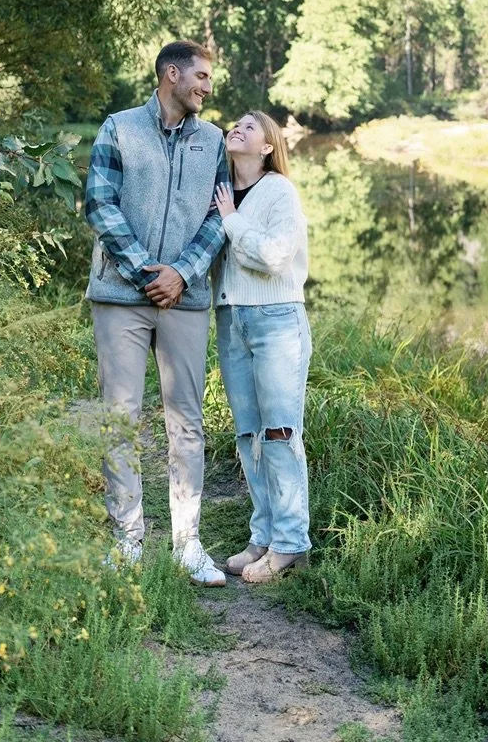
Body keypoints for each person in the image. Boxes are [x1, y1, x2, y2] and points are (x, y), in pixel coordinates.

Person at [84, 40, 228, 587]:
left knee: (186, 422)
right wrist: (147, 271)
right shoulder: (118, 128)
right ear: (172, 74)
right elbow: (100, 203)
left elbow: (220, 216)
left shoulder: (214, 141)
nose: (207, 87)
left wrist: (181, 274)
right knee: (119, 418)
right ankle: (127, 540)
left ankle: (188, 545)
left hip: (184, 300)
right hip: (120, 297)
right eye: (201, 77)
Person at [213, 111, 312, 583]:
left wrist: (232, 222)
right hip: (231, 319)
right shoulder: (221, 190)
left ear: (268, 146)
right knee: (248, 434)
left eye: (249, 126)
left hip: (276, 321)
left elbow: (275, 257)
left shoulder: (279, 191)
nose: (237, 127)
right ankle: (264, 535)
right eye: (235, 124)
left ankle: (290, 544)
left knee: (279, 433)